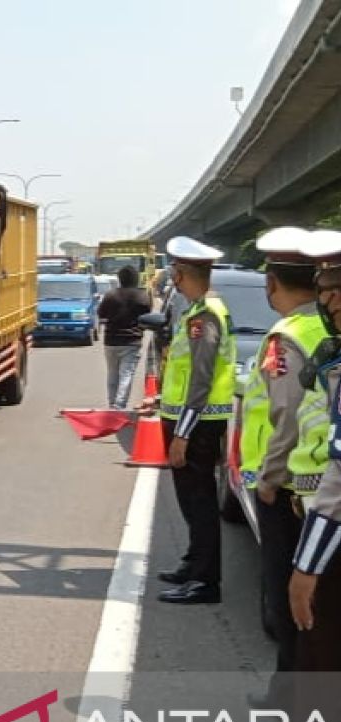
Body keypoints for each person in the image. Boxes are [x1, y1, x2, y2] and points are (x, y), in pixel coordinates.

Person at [247, 229, 341, 722]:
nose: (328, 300)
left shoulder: (289, 335)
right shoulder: (324, 341)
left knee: (319, 663)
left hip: (318, 515)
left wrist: (306, 566)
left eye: (336, 286)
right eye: (326, 285)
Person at [238, 227, 327, 722]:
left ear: (272, 283)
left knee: (290, 609)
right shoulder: (325, 329)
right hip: (319, 489)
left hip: (293, 489)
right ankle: (284, 700)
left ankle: (293, 713)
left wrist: (269, 479)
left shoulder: (287, 336)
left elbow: (286, 415)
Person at [152, 236, 236, 604]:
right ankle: (193, 564)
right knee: (189, 500)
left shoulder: (205, 316)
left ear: (181, 273)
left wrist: (182, 435)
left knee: (199, 503)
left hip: (197, 424)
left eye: (174, 272)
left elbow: (201, 379)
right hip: (189, 418)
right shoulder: (197, 309)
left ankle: (205, 582)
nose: (172, 278)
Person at [97, 265, 152, 409]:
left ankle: (112, 403)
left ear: (120, 279)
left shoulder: (110, 295)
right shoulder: (143, 296)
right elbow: (147, 318)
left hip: (111, 341)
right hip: (132, 341)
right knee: (126, 374)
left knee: (112, 374)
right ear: (136, 279)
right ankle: (119, 405)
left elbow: (101, 314)